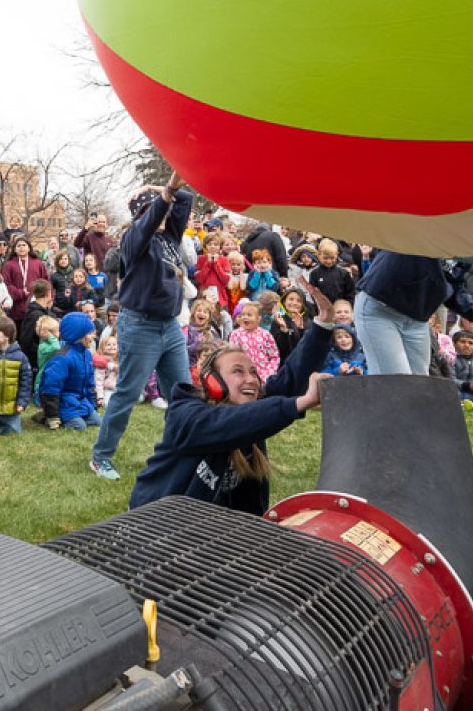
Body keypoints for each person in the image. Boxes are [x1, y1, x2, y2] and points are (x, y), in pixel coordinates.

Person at [130, 284, 335, 512]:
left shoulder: (252, 409)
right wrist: (300, 403)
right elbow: (224, 422)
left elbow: (291, 378)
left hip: (212, 532)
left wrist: (323, 324)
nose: (250, 379)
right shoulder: (185, 413)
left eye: (253, 372)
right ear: (212, 382)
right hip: (154, 526)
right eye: (238, 371)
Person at [90, 171, 192, 482]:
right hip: (140, 325)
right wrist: (163, 195)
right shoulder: (133, 240)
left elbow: (185, 199)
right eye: (151, 212)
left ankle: (183, 452)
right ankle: (101, 457)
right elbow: (151, 220)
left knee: (183, 394)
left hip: (170, 327)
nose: (160, 217)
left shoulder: (170, 237)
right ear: (140, 216)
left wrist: (159, 188)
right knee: (127, 393)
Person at [354, 251, 473, 375]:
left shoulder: (462, 252)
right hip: (380, 310)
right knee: (395, 379)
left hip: (417, 321)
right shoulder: (419, 229)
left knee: (420, 381)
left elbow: (455, 286)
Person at [39, 312, 102, 432]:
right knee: (79, 427)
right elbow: (50, 387)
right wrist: (53, 415)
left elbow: (89, 384)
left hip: (81, 402)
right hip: (65, 404)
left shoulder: (86, 354)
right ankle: (48, 417)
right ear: (78, 335)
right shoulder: (62, 358)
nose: (93, 336)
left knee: (97, 422)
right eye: (89, 333)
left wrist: (93, 406)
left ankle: (78, 415)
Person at [1, 236, 50, 323]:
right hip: (16, 307)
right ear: (14, 249)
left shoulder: (37, 263)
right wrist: (20, 293)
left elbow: (46, 282)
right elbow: (6, 284)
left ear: (29, 248)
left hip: (36, 305)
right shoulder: (9, 265)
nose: (21, 248)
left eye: (24, 245)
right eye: (18, 246)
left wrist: (49, 298)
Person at [18, 278, 56, 369]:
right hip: (37, 363)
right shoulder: (34, 315)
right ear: (48, 293)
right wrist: (42, 353)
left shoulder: (44, 312)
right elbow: (26, 341)